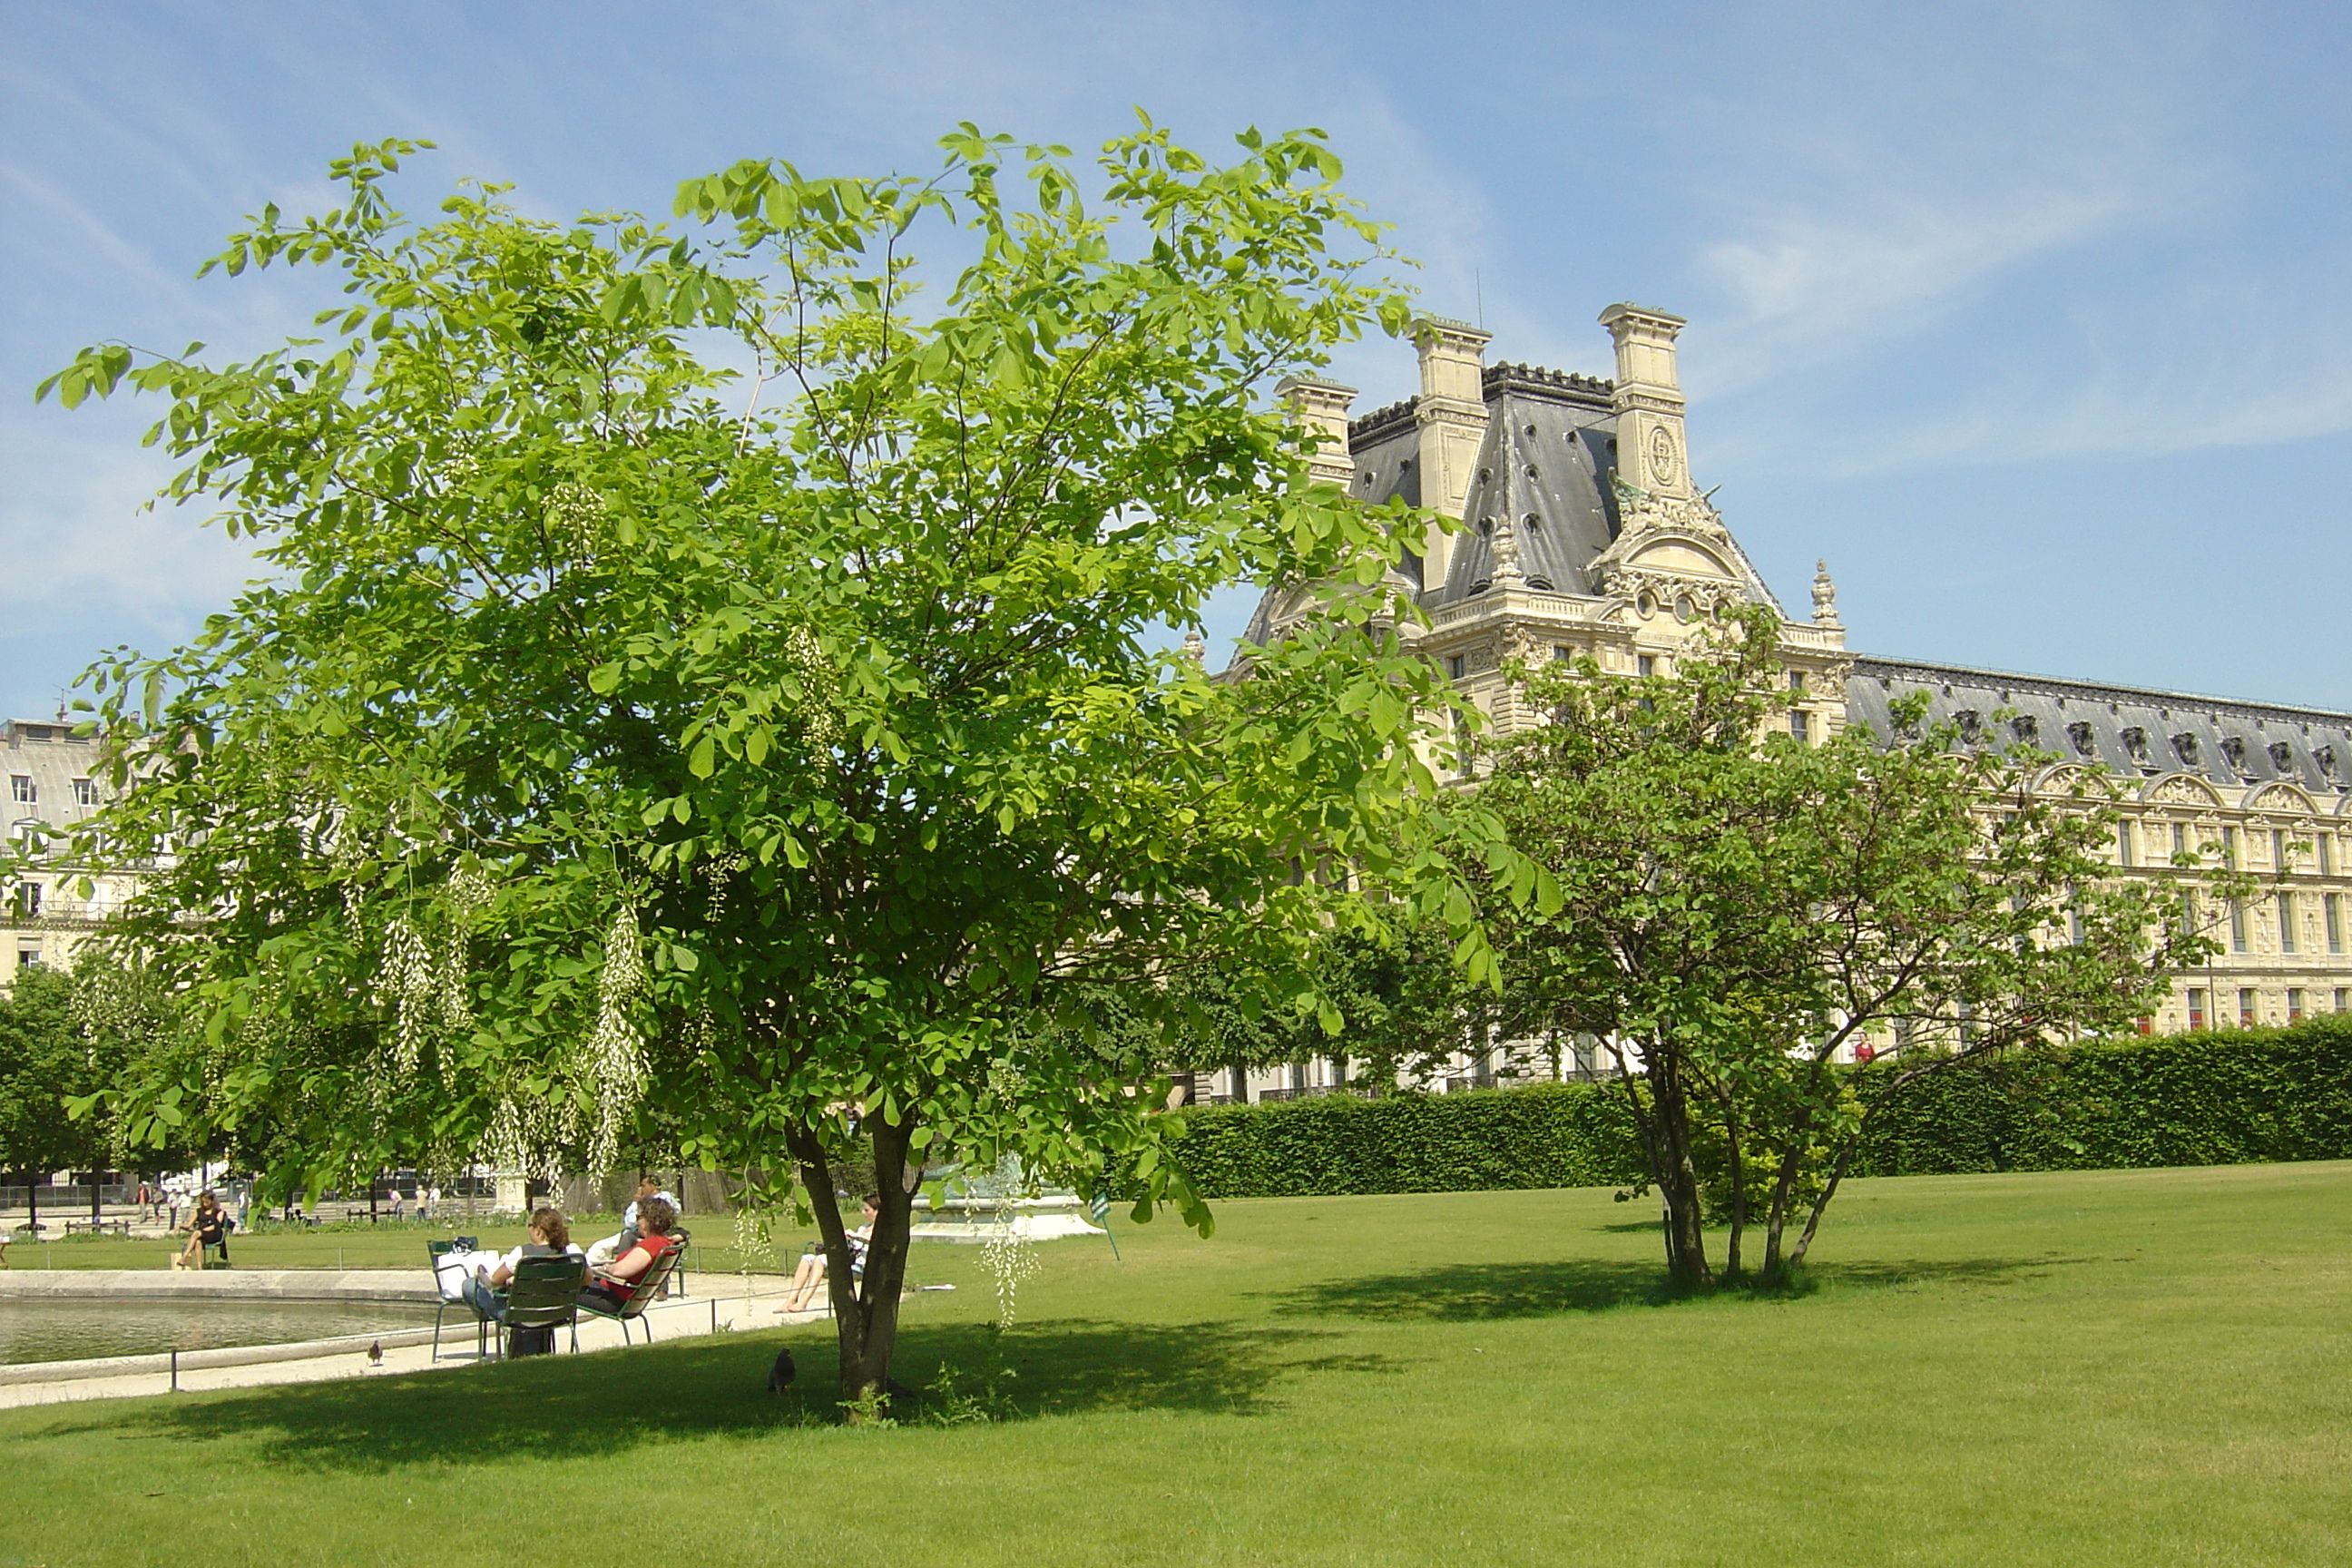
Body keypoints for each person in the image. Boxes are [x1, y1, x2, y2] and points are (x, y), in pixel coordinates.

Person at [459, 1208, 583, 1355]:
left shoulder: (522, 1255)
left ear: (538, 1230)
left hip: (522, 1316)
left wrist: (484, 1275)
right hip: (559, 1314)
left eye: (529, 1226)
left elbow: (495, 1281)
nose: (528, 1229)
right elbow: (586, 1280)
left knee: (469, 1285)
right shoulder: (573, 1252)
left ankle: (484, 1315)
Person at [578, 1196, 680, 1317]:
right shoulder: (664, 1243)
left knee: (559, 1293)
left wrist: (606, 1268)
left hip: (615, 1300)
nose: (636, 1222)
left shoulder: (651, 1245)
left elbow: (620, 1271)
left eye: (638, 1217)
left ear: (650, 1220)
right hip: (625, 1298)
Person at [778, 1194, 877, 1315]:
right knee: (806, 1259)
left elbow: (875, 1241)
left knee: (820, 1260)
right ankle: (791, 1299)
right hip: (850, 1260)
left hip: (862, 1267)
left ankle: (803, 1301)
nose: (863, 1213)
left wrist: (856, 1236)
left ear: (877, 1211)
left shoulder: (882, 1229)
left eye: (867, 1210)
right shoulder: (863, 1227)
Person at [586, 1174, 681, 1265]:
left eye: (643, 1186)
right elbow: (677, 1211)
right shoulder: (666, 1198)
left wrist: (636, 1203)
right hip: (643, 1233)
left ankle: (588, 1270)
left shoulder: (651, 1203)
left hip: (637, 1233)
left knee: (600, 1247)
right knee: (600, 1246)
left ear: (652, 1186)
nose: (640, 1189)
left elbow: (630, 1222)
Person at [176, 1191, 230, 1269]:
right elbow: (188, 1225)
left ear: (212, 1201)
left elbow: (217, 1226)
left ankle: (184, 1257)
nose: (204, 1204)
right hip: (202, 1234)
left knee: (196, 1233)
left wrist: (204, 1230)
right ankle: (200, 1267)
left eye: (206, 1202)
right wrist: (180, 1226)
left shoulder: (219, 1212)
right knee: (198, 1242)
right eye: (203, 1202)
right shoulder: (198, 1211)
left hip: (214, 1234)